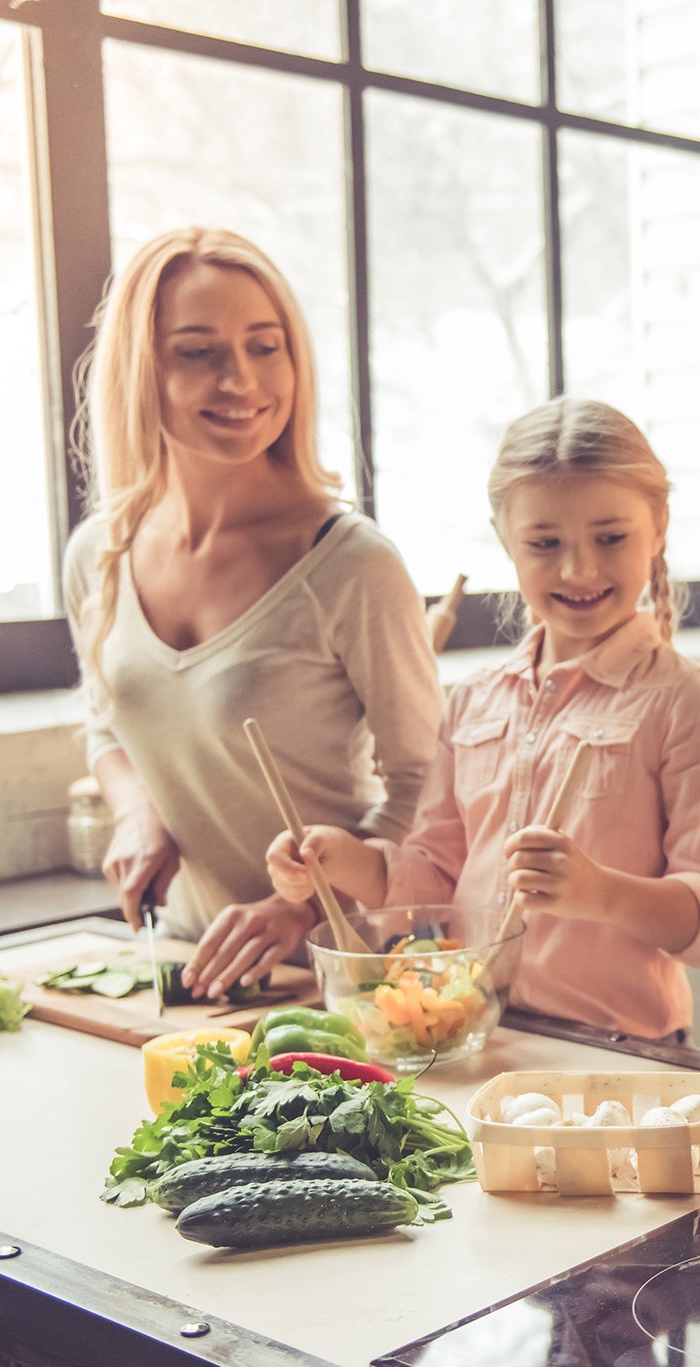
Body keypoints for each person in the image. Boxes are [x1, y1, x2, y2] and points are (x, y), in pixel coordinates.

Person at [266, 396, 700, 1042]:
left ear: (658, 525)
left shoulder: (685, 703)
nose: (579, 569)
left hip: (624, 1052)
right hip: (482, 1036)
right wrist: (343, 860)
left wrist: (598, 891)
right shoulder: (472, 700)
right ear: (503, 538)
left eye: (610, 538)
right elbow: (432, 881)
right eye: (545, 543)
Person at [65, 226, 441, 999]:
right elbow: (106, 722)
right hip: (183, 961)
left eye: (264, 346)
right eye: (197, 352)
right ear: (141, 370)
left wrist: (294, 905)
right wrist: (139, 813)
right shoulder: (97, 555)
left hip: (341, 976)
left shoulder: (352, 564)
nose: (240, 379)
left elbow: (432, 792)